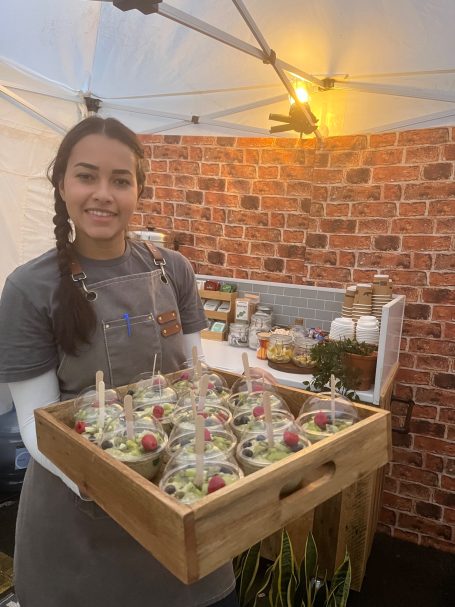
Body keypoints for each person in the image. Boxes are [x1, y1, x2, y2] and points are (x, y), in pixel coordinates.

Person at [0, 116, 240, 606]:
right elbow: (34, 424)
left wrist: (204, 459)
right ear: (62, 183)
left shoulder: (173, 270)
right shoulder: (29, 288)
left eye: (121, 180)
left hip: (183, 498)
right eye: (87, 176)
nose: (103, 194)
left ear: (139, 190)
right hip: (80, 521)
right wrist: (120, 485)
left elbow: (195, 380)